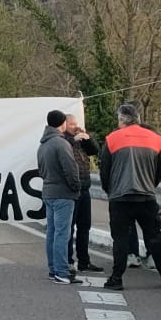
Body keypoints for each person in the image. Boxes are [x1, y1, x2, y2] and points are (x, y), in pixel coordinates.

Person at [100, 102, 161, 291]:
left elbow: (104, 171)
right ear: (138, 119)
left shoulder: (112, 139)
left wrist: (110, 191)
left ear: (121, 120)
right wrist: (149, 185)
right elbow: (160, 170)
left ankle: (117, 278)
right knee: (154, 237)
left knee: (120, 239)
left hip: (120, 197)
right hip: (146, 196)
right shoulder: (155, 139)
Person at [38, 110, 83, 285]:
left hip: (48, 191)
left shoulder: (43, 144)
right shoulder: (61, 144)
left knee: (52, 232)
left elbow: (41, 170)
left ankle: (53, 269)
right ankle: (62, 272)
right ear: (62, 123)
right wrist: (76, 187)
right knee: (62, 234)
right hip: (63, 194)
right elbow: (70, 169)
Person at [67, 117, 100, 275]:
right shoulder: (63, 140)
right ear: (65, 125)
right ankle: (68, 260)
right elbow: (65, 154)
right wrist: (73, 140)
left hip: (85, 188)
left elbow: (94, 150)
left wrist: (87, 138)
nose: (75, 127)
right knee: (69, 227)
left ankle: (84, 261)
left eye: (76, 124)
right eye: (71, 124)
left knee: (84, 226)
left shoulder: (80, 140)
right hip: (72, 190)